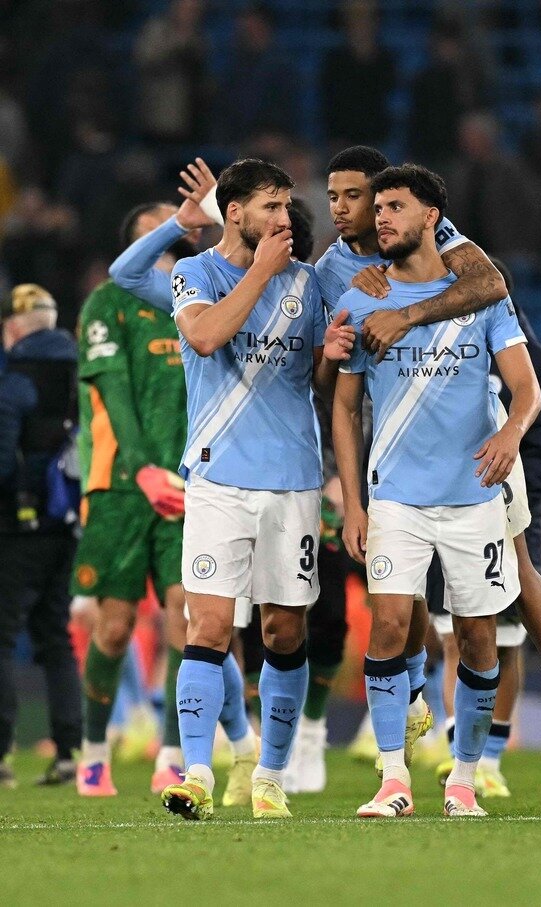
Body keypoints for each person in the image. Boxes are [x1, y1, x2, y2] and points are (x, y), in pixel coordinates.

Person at [298, 145, 511, 791]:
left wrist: (407, 310)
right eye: (333, 195)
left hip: (474, 427)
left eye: (356, 196)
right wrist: (346, 476)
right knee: (391, 607)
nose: (342, 207)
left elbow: (492, 284)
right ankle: (406, 718)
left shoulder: (445, 240)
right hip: (384, 448)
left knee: (502, 588)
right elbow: (323, 377)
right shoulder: (331, 270)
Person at [331, 164, 540, 818]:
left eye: (395, 206)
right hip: (396, 496)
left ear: (431, 218)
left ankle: (463, 779)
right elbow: (343, 406)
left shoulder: (483, 298)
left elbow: (526, 387)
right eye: (379, 207)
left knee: (478, 638)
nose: (381, 217)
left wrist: (511, 431)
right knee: (390, 623)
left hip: (473, 495)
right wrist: (355, 502)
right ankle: (393, 780)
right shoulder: (363, 298)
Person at [158, 158, 354, 821]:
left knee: (284, 628)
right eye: (270, 206)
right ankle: (195, 774)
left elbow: (321, 385)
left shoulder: (308, 282)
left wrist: (331, 353)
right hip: (216, 478)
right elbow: (207, 336)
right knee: (207, 624)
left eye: (286, 206)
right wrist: (262, 272)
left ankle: (270, 774)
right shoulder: (195, 273)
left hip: (293, 480)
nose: (283, 218)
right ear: (233, 211)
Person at [77, 162, 257, 804]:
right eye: (152, 234)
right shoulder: (109, 303)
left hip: (191, 483)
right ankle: (94, 752)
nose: (168, 244)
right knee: (116, 627)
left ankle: (175, 755)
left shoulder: (195, 296)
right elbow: (115, 396)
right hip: (123, 487)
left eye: (174, 234)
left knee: (192, 619)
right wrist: (143, 467)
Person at [428, 256, 541, 798]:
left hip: (511, 512)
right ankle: (458, 746)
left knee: (507, 639)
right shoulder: (447, 351)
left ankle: (491, 754)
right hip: (445, 507)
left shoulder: (534, 360)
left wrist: (517, 491)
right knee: (454, 635)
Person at [0, 284, 82, 788]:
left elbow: (4, 460)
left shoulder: (13, 382)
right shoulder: (80, 370)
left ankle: (1, 756)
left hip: (16, 524)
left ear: (12, 327)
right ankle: (70, 751)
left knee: (3, 637)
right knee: (56, 637)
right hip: (68, 520)